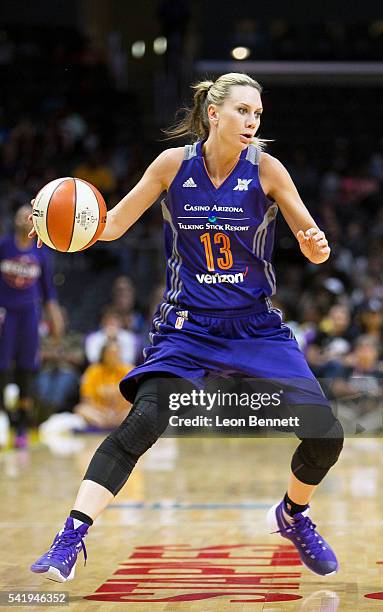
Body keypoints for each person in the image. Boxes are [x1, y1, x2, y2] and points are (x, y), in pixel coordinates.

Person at [30, 73, 343, 582]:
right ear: (214, 114)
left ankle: (291, 514)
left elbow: (309, 231)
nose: (252, 121)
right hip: (188, 328)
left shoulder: (267, 169)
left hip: (254, 327)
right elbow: (109, 226)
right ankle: (70, 536)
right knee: (143, 421)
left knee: (326, 435)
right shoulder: (174, 165)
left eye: (258, 114)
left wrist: (314, 245)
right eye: (243, 111)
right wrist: (60, 229)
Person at [0, 204, 64, 448]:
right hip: (5, 315)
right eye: (19, 214)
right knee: (2, 370)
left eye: (29, 215)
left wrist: (56, 321)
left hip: (29, 316)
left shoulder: (42, 254)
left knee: (27, 371)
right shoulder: (4, 246)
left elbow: (49, 293)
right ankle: (8, 417)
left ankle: (22, 427)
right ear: (14, 220)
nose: (24, 219)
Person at [74, 339, 133, 429]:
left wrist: (117, 414)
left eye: (116, 353)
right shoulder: (93, 371)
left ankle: (113, 423)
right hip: (99, 413)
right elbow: (86, 399)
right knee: (80, 409)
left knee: (135, 410)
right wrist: (104, 412)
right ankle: (104, 424)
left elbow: (135, 399)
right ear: (103, 354)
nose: (114, 356)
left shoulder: (129, 370)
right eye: (110, 353)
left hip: (121, 414)